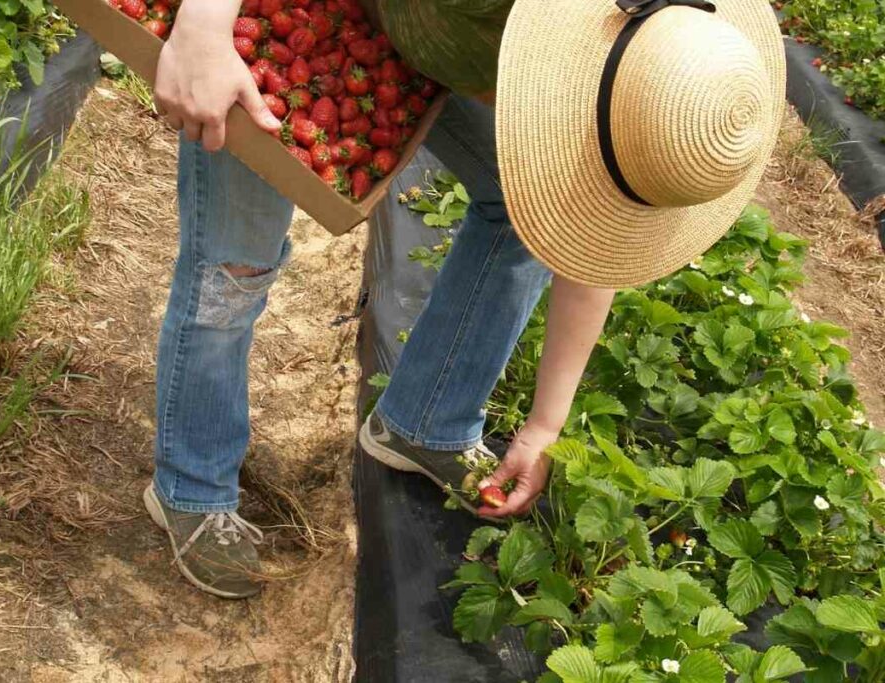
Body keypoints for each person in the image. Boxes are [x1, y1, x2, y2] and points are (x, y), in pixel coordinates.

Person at [143, 0, 784, 599]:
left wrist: (544, 429)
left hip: (438, 32)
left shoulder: (647, 62)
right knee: (234, 271)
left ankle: (427, 422)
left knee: (535, 209)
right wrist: (204, 27)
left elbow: (587, 228)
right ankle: (192, 487)